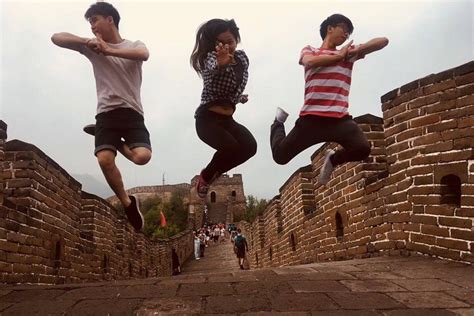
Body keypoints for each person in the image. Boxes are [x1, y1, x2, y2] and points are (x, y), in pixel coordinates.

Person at [51, 2, 152, 231]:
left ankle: (108, 139)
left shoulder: (133, 45)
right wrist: (87, 43)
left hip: (133, 113)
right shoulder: (91, 47)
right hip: (106, 113)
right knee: (105, 160)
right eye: (89, 23)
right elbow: (57, 37)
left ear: (110, 19)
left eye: (95, 20)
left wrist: (108, 50)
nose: (92, 26)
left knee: (142, 157)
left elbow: (144, 54)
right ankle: (127, 203)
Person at [270, 14, 389, 185]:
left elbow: (383, 41)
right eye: (344, 29)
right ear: (330, 28)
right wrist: (339, 57)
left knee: (362, 149)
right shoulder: (311, 50)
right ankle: (278, 122)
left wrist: (356, 51)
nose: (346, 35)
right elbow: (309, 62)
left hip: (339, 119)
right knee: (280, 156)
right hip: (311, 120)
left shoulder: (348, 54)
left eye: (349, 33)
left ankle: (333, 159)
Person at [190, 19, 257, 198]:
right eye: (221, 43)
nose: (226, 46)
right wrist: (221, 64)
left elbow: (233, 86)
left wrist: (239, 98)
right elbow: (213, 73)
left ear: (236, 39)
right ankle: (205, 176)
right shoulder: (211, 58)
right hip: (207, 120)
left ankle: (214, 173)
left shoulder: (242, 58)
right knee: (231, 147)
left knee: (250, 147)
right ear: (213, 44)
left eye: (230, 41)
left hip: (227, 120)